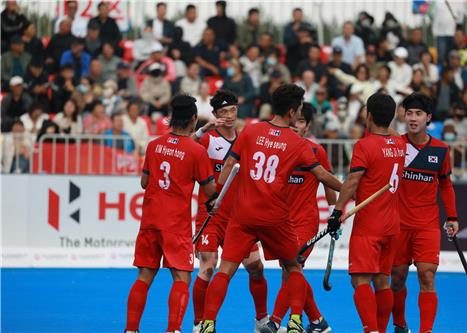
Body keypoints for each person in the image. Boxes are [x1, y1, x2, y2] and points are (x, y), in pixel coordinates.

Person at [198, 84, 342, 333]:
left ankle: (208, 324)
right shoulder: (298, 143)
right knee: (293, 267)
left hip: (243, 215)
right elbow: (322, 175)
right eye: (298, 110)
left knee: (224, 270)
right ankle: (296, 322)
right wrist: (351, 190)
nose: (299, 115)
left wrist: (216, 196)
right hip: (275, 217)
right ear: (291, 110)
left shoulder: (250, 131)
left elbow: (228, 167)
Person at [124, 94, 216, 333]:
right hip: (176, 224)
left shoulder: (154, 145)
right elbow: (209, 189)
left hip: (150, 220)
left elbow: (144, 182)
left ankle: (130, 330)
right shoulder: (196, 152)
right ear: (193, 119)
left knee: (144, 276)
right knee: (182, 278)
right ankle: (173, 330)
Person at [191, 90, 269, 333]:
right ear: (215, 115)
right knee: (208, 266)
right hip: (211, 215)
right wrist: (203, 129)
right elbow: (185, 146)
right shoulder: (207, 140)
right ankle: (200, 324)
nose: (228, 116)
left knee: (256, 267)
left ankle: (262, 320)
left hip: (238, 216)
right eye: (223, 112)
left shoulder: (247, 139)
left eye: (232, 110)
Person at [329, 92, 405, 333]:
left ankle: (370, 330)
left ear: (368, 115)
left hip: (369, 225)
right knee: (383, 281)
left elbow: (352, 181)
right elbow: (391, 134)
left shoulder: (365, 145)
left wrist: (337, 211)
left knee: (360, 280)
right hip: (392, 224)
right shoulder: (400, 144)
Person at [262, 102, 337, 333]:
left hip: (305, 222)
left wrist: (337, 214)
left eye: (302, 121)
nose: (296, 125)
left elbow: (330, 193)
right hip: (280, 222)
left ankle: (276, 321)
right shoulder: (275, 149)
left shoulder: (317, 152)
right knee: (293, 273)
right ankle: (317, 321)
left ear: (309, 127)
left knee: (290, 269)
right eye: (294, 119)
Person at [391, 92, 459, 333]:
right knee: (397, 278)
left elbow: (446, 185)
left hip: (426, 225)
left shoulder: (440, 150)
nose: (412, 118)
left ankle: (426, 331)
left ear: (428, 118)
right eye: (409, 113)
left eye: (418, 114)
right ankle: (400, 325)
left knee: (427, 275)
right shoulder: (396, 146)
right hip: (397, 224)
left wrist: (452, 217)